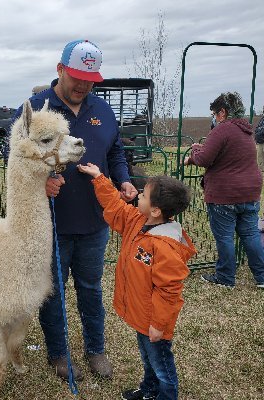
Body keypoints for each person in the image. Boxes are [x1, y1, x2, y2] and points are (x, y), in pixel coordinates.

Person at [10, 39, 138, 381]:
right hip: (52, 224)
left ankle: (96, 350)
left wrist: (123, 180)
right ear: (60, 69)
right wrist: (41, 184)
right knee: (53, 292)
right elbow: (17, 159)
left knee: (91, 287)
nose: (83, 85)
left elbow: (115, 153)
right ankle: (59, 355)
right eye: (77, 77)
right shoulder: (36, 109)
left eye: (90, 79)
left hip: (95, 221)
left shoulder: (103, 109)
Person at [77, 162, 196, 400]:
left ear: (156, 211)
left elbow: (169, 291)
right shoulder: (137, 221)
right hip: (143, 317)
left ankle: (165, 395)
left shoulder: (165, 246)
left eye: (143, 195)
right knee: (147, 357)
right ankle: (149, 391)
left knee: (162, 365)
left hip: (155, 322)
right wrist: (99, 178)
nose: (137, 196)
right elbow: (115, 206)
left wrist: (159, 325)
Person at [184, 92, 264, 289]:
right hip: (250, 192)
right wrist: (202, 149)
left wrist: (193, 153)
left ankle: (225, 277)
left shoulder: (223, 129)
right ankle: (262, 277)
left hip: (225, 194)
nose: (213, 117)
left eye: (214, 113)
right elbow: (226, 154)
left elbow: (204, 159)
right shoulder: (246, 131)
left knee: (224, 236)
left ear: (222, 112)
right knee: (251, 235)